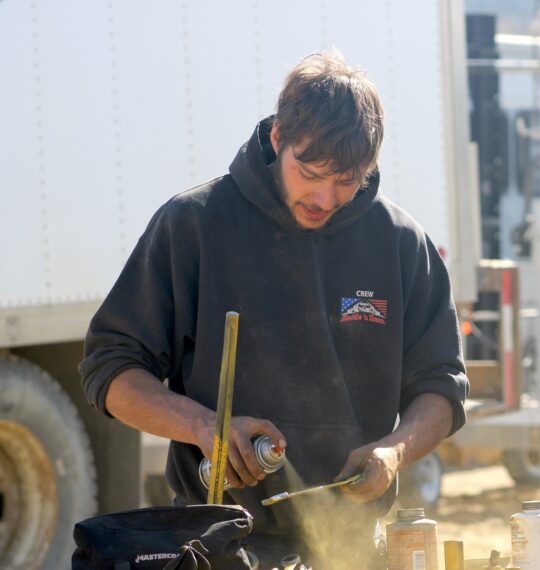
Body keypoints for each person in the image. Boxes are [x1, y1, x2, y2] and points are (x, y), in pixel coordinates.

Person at [79, 51, 468, 569]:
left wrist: (394, 451)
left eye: (348, 180)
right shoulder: (195, 225)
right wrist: (205, 428)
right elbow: (110, 370)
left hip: (354, 549)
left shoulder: (399, 242)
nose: (326, 197)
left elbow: (442, 385)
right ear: (279, 136)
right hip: (213, 547)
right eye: (311, 172)